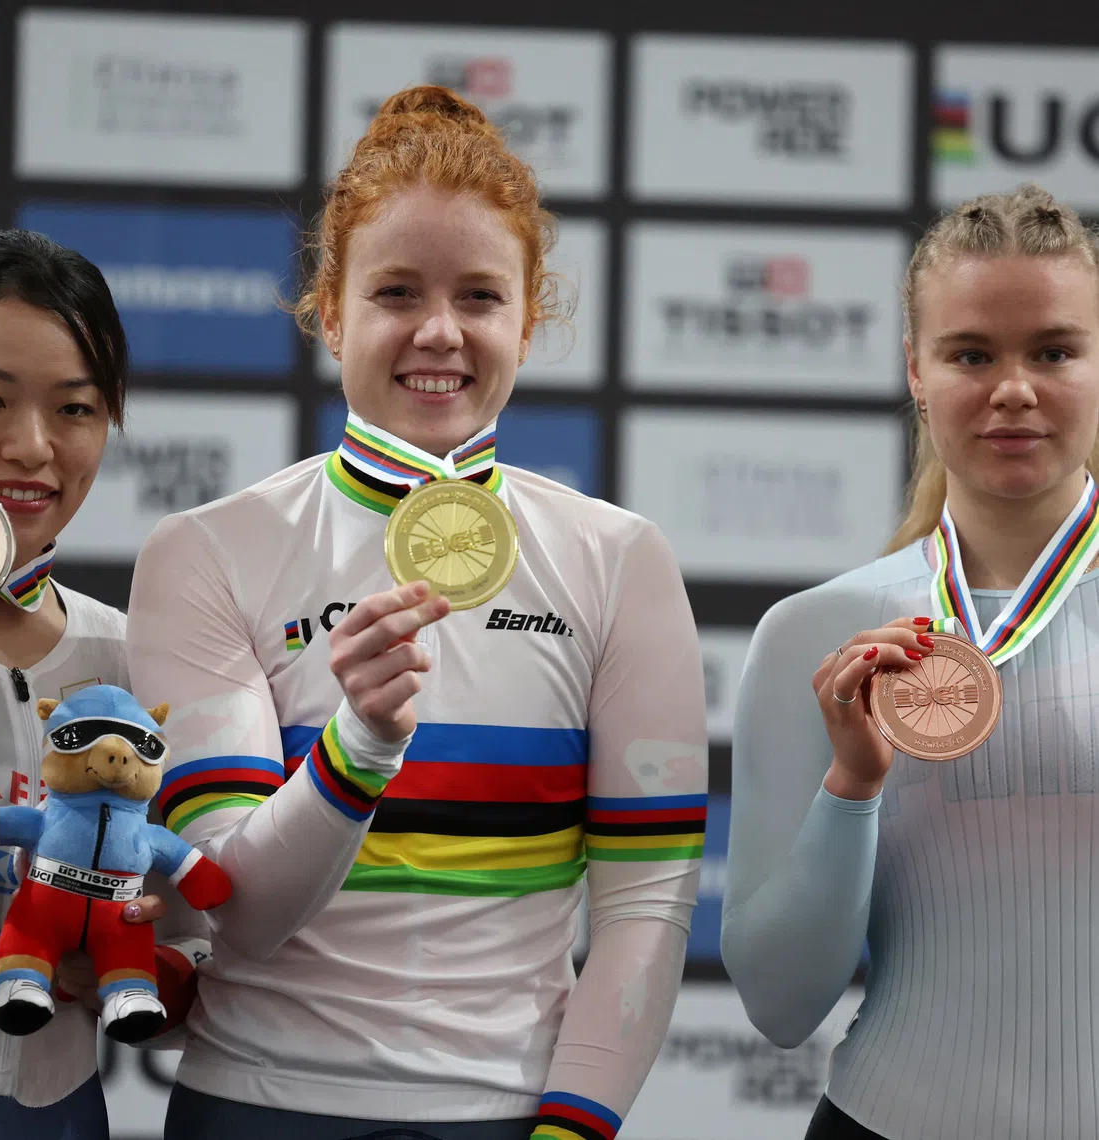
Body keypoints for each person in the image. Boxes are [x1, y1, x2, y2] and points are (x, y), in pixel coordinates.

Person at [124, 85, 708, 1140]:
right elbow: (232, 912)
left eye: (480, 297)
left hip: (509, 1116)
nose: (439, 331)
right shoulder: (206, 555)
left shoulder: (619, 561)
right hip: (255, 1112)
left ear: (530, 320)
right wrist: (360, 746)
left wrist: (570, 1131)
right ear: (333, 311)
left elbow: (646, 908)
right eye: (397, 292)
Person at [721, 182, 1099, 1140]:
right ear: (915, 371)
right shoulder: (820, 629)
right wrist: (852, 784)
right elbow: (778, 1001)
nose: (1013, 388)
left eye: (1054, 351)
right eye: (972, 353)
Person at [0, 230, 205, 1139]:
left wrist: (126, 965)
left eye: (76, 409)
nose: (32, 447)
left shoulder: (136, 662)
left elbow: (189, 966)